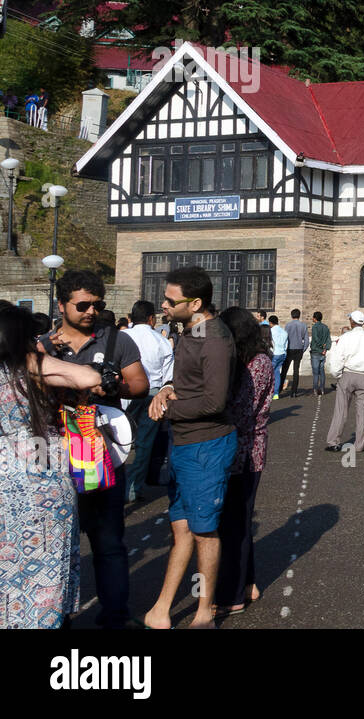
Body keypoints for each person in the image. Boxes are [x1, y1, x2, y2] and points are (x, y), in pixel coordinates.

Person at [41, 270, 149, 630]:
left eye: (97, 305)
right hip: (54, 459)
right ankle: (58, 618)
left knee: (108, 542)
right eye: (82, 304)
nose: (90, 311)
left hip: (102, 457)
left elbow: (140, 385)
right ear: (61, 304)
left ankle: (115, 617)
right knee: (56, 546)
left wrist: (111, 386)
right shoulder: (43, 344)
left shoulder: (117, 341)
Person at [144, 266, 239, 629]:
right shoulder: (191, 331)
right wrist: (167, 388)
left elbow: (214, 401)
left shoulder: (213, 339)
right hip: (185, 444)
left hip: (205, 446)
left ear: (196, 303)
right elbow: (186, 380)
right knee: (182, 528)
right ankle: (161, 609)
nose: (164, 305)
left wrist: (168, 408)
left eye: (170, 300)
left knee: (203, 531)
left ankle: (203, 612)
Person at [0, 304, 104, 628]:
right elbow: (89, 376)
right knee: (45, 564)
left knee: (8, 567)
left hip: (4, 477)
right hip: (41, 479)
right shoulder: (29, 364)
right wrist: (38, 358)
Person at [214, 307, 274, 616]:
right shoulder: (240, 361)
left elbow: (242, 409)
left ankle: (231, 594)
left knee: (234, 524)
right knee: (238, 521)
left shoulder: (258, 363)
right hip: (234, 449)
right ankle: (247, 583)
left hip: (247, 451)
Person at [121, 300, 174, 504]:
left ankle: (112, 483)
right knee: (144, 444)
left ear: (131, 317)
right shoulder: (161, 341)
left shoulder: (122, 337)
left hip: (123, 393)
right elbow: (168, 375)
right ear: (152, 318)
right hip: (153, 395)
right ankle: (133, 488)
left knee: (118, 441)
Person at [324, 311, 364, 454]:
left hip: (348, 374)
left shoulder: (346, 337)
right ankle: (359, 444)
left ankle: (333, 442)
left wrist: (337, 374)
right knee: (362, 412)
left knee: (340, 410)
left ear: (352, 322)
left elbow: (338, 357)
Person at [282, 309, 308, 398]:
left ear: (291, 315)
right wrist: (303, 349)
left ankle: (279, 389)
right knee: (296, 371)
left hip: (289, 349)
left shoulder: (288, 325)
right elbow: (307, 341)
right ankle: (294, 392)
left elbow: (285, 338)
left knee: (284, 370)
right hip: (298, 349)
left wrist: (284, 349)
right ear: (299, 315)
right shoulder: (303, 325)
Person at [309, 310, 331, 398]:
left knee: (315, 372)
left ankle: (315, 389)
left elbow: (315, 338)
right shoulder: (326, 327)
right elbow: (328, 340)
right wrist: (326, 349)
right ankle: (322, 389)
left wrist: (321, 346)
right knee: (322, 371)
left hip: (316, 351)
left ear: (314, 318)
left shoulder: (314, 327)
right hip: (323, 352)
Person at [268, 315, 288, 400]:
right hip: (282, 353)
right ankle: (276, 393)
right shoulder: (284, 332)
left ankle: (269, 392)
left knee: (270, 374)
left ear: (270, 322)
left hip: (274, 353)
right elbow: (286, 345)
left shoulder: (270, 331)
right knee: (276, 373)